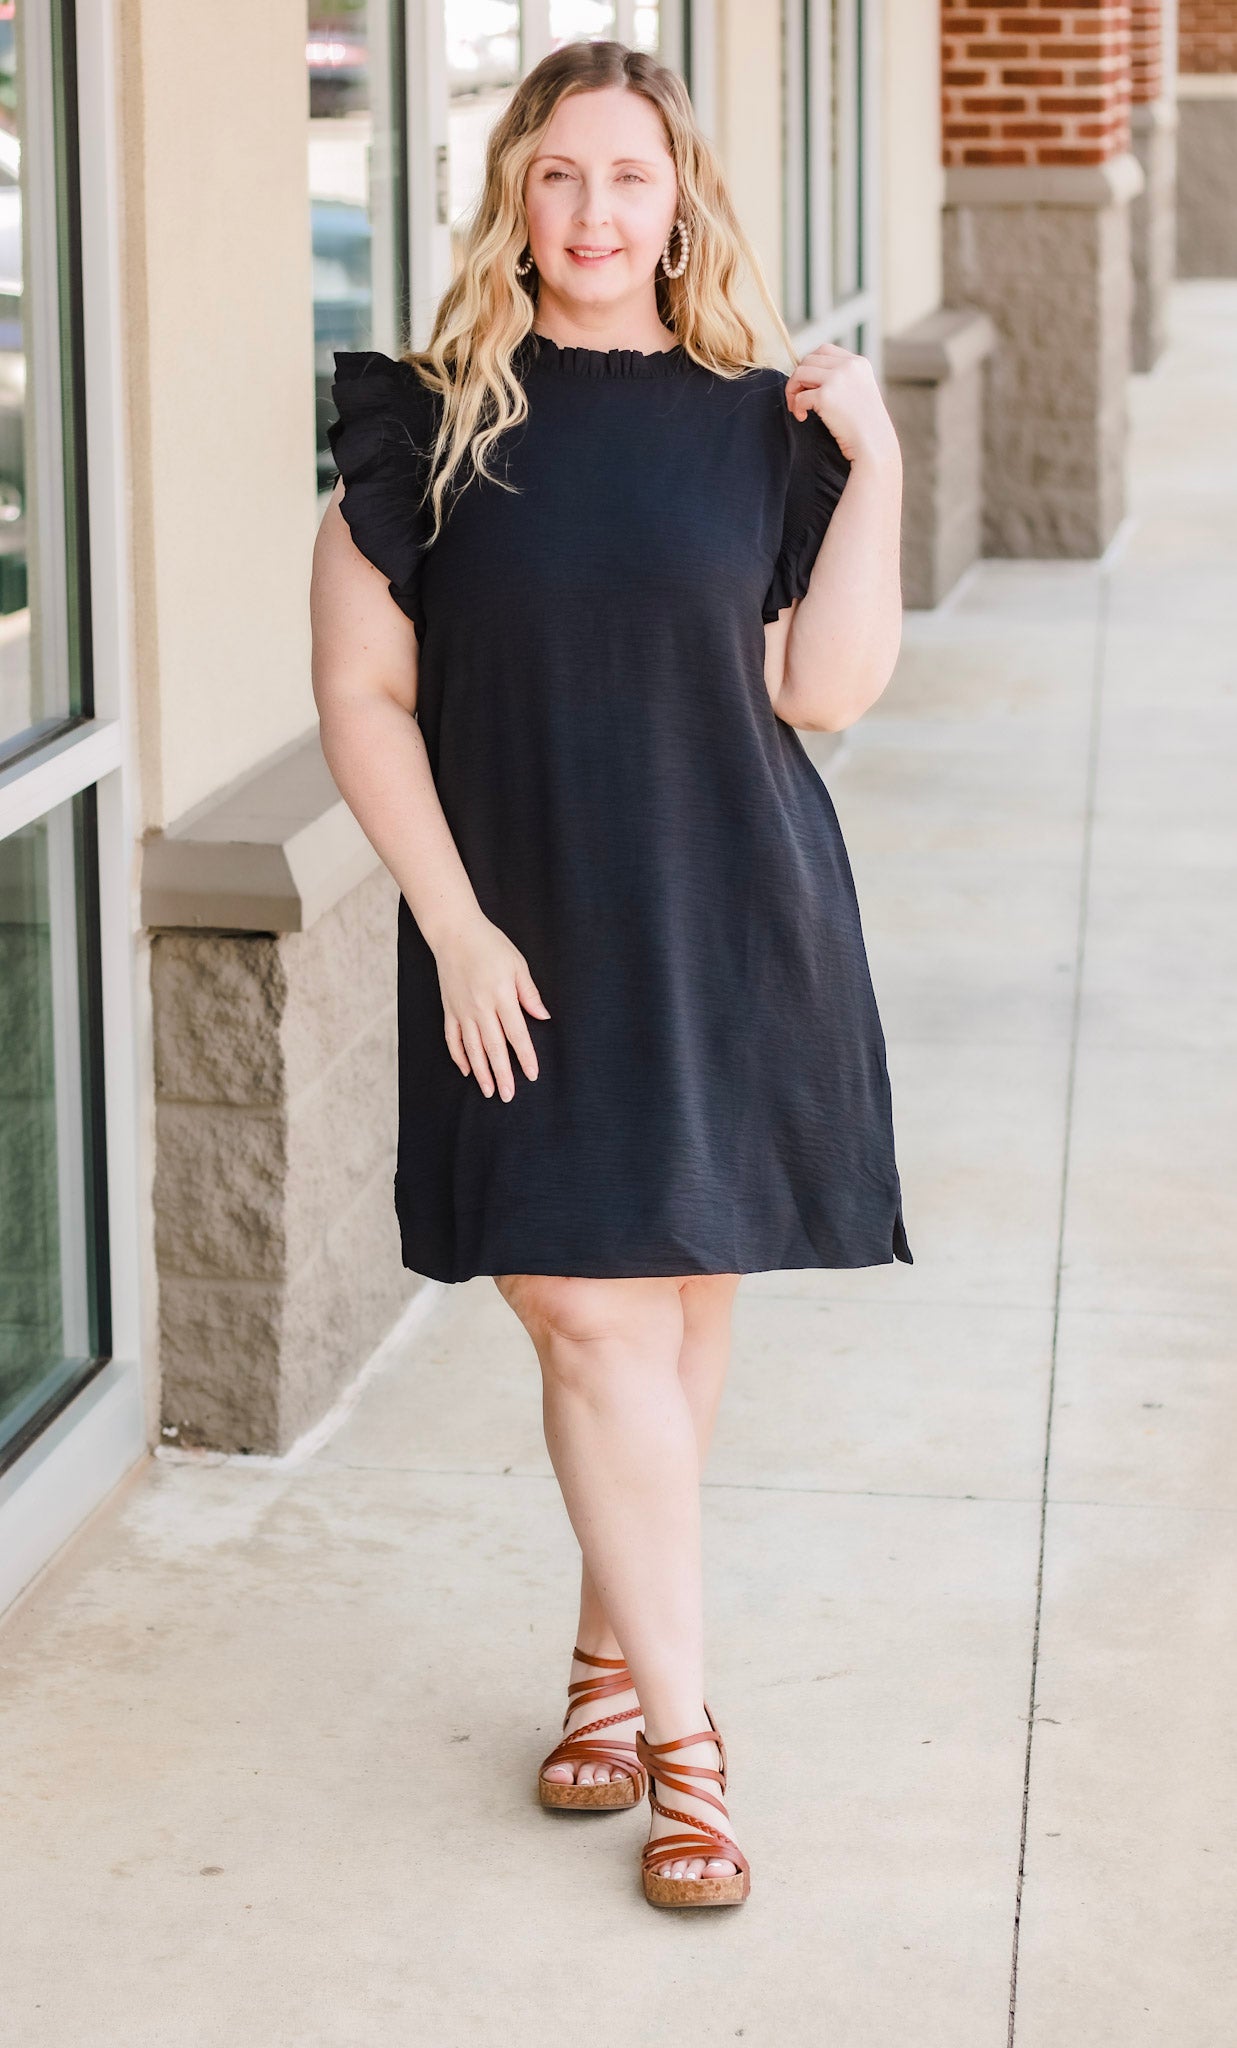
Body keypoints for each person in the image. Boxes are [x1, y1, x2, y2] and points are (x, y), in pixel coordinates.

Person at [309, 37, 911, 1911]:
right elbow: (363, 697)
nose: (590, 209)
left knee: (675, 1317)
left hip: (726, 915)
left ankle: (599, 1672)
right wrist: (453, 922)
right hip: (517, 942)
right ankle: (690, 1751)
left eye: (626, 175)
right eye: (557, 172)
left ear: (677, 203)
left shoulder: (757, 424)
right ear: (513, 192)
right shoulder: (426, 428)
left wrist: (877, 465)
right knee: (585, 1311)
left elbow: (821, 689)